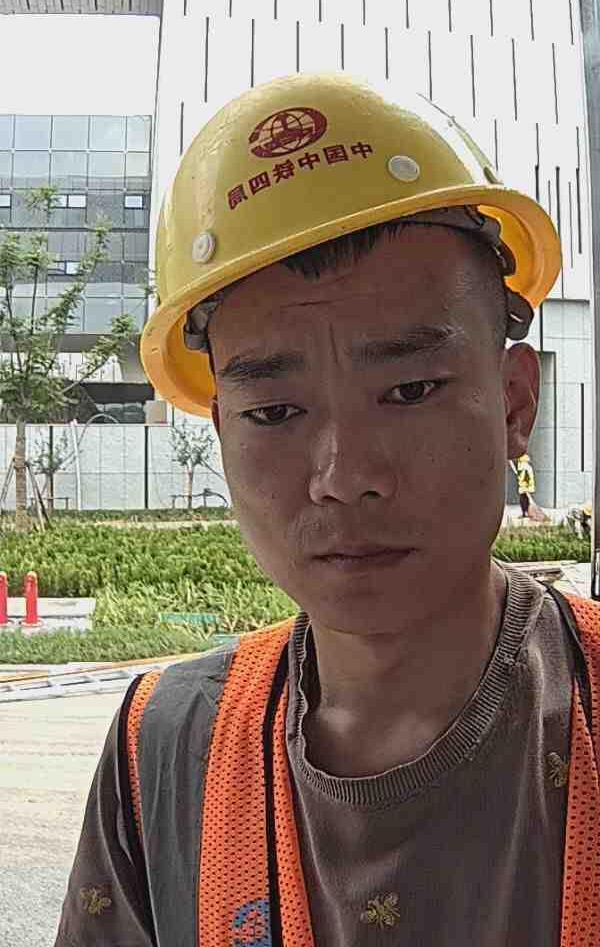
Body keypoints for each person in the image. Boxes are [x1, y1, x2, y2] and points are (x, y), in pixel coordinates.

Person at [54, 75, 600, 947]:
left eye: (410, 390)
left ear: (513, 405)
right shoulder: (162, 753)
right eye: (276, 412)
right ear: (223, 431)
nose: (344, 477)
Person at [516, 452, 536, 518]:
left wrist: (526, 486)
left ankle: (526, 513)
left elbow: (528, 478)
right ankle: (525, 513)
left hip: (525, 487)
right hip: (524, 487)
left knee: (524, 500)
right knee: (523, 500)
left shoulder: (525, 467)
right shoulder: (524, 467)